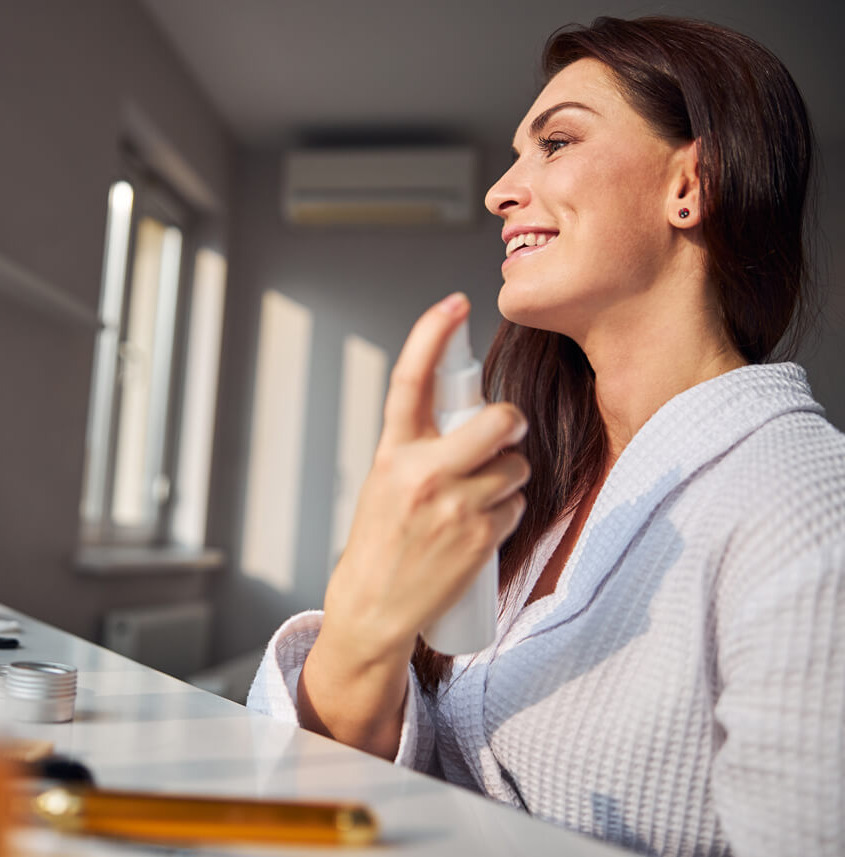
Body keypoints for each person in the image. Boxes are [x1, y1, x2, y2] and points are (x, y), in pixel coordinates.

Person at [247, 16, 844, 857]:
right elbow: (412, 779)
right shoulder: (554, 484)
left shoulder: (808, 506)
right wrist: (361, 617)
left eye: (556, 142)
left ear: (691, 183)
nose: (499, 191)